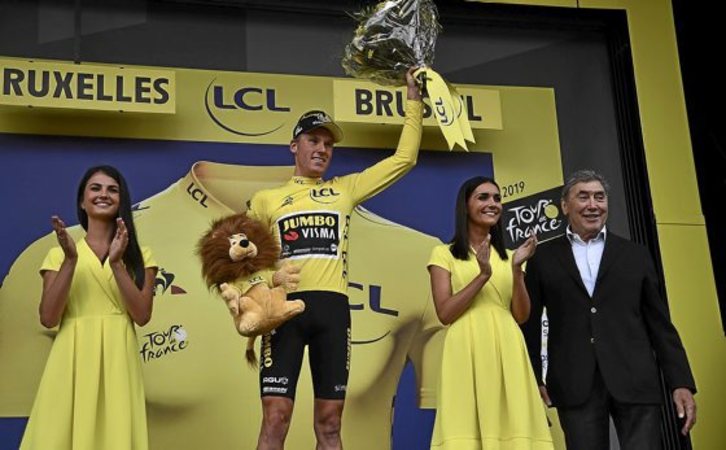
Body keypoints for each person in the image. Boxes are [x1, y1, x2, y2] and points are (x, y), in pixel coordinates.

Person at [246, 67, 424, 450]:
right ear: (294, 146)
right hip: (283, 312)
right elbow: (248, 261)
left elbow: (404, 159)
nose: (322, 149)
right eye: (313, 140)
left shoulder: (344, 190)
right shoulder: (266, 199)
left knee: (329, 424)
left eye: (328, 144)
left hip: (332, 311)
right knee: (275, 418)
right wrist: (266, 283)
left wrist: (413, 99)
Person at [522, 169, 697, 450]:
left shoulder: (635, 254)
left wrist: (681, 382)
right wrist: (533, 379)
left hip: (636, 380)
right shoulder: (542, 257)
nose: (593, 205)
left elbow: (660, 324)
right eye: (583, 197)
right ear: (565, 206)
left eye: (599, 197)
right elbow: (529, 325)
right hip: (574, 383)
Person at [20, 165, 158, 450]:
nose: (103, 194)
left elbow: (142, 315)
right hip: (71, 357)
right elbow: (48, 317)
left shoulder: (141, 256)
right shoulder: (58, 255)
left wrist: (117, 264)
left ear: (121, 200)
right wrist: (71, 261)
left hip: (119, 358)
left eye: (112, 189)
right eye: (95, 188)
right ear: (82, 201)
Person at [427, 176, 553, 450]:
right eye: (483, 197)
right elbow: (445, 313)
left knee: (513, 423)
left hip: (508, 344)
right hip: (466, 345)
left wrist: (517, 269)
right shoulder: (443, 254)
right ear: (465, 206)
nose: (492, 203)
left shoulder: (511, 255)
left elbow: (521, 315)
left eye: (497, 198)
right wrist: (483, 275)